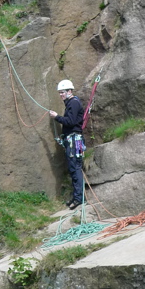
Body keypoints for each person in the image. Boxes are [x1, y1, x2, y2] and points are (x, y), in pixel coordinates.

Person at [49, 79, 85, 209]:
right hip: (72, 140)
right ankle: (77, 196)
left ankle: (79, 198)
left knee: (75, 168)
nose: (60, 95)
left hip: (74, 140)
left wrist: (56, 117)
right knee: (73, 168)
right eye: (59, 93)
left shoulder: (74, 103)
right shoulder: (70, 103)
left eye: (62, 92)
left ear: (69, 91)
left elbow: (70, 121)